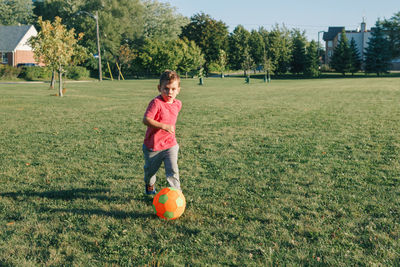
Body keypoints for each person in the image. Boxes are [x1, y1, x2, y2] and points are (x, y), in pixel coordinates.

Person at [142, 70, 182, 195]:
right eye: (166, 88)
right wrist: (163, 126)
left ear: (178, 90)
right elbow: (146, 120)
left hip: (170, 144)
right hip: (153, 147)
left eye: (173, 89)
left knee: (173, 170)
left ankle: (177, 194)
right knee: (150, 172)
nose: (169, 92)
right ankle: (150, 185)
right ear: (159, 88)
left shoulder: (178, 104)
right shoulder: (156, 103)